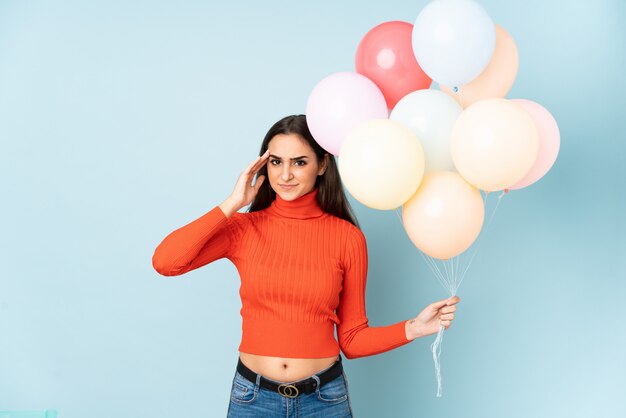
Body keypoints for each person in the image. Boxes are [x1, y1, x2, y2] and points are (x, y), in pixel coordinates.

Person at [152, 114, 460, 417]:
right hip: (253, 399)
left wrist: (415, 328)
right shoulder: (244, 229)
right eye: (276, 162)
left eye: (299, 162)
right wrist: (233, 202)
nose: (285, 175)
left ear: (322, 165)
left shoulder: (347, 238)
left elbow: (352, 341)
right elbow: (166, 262)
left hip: (324, 400)